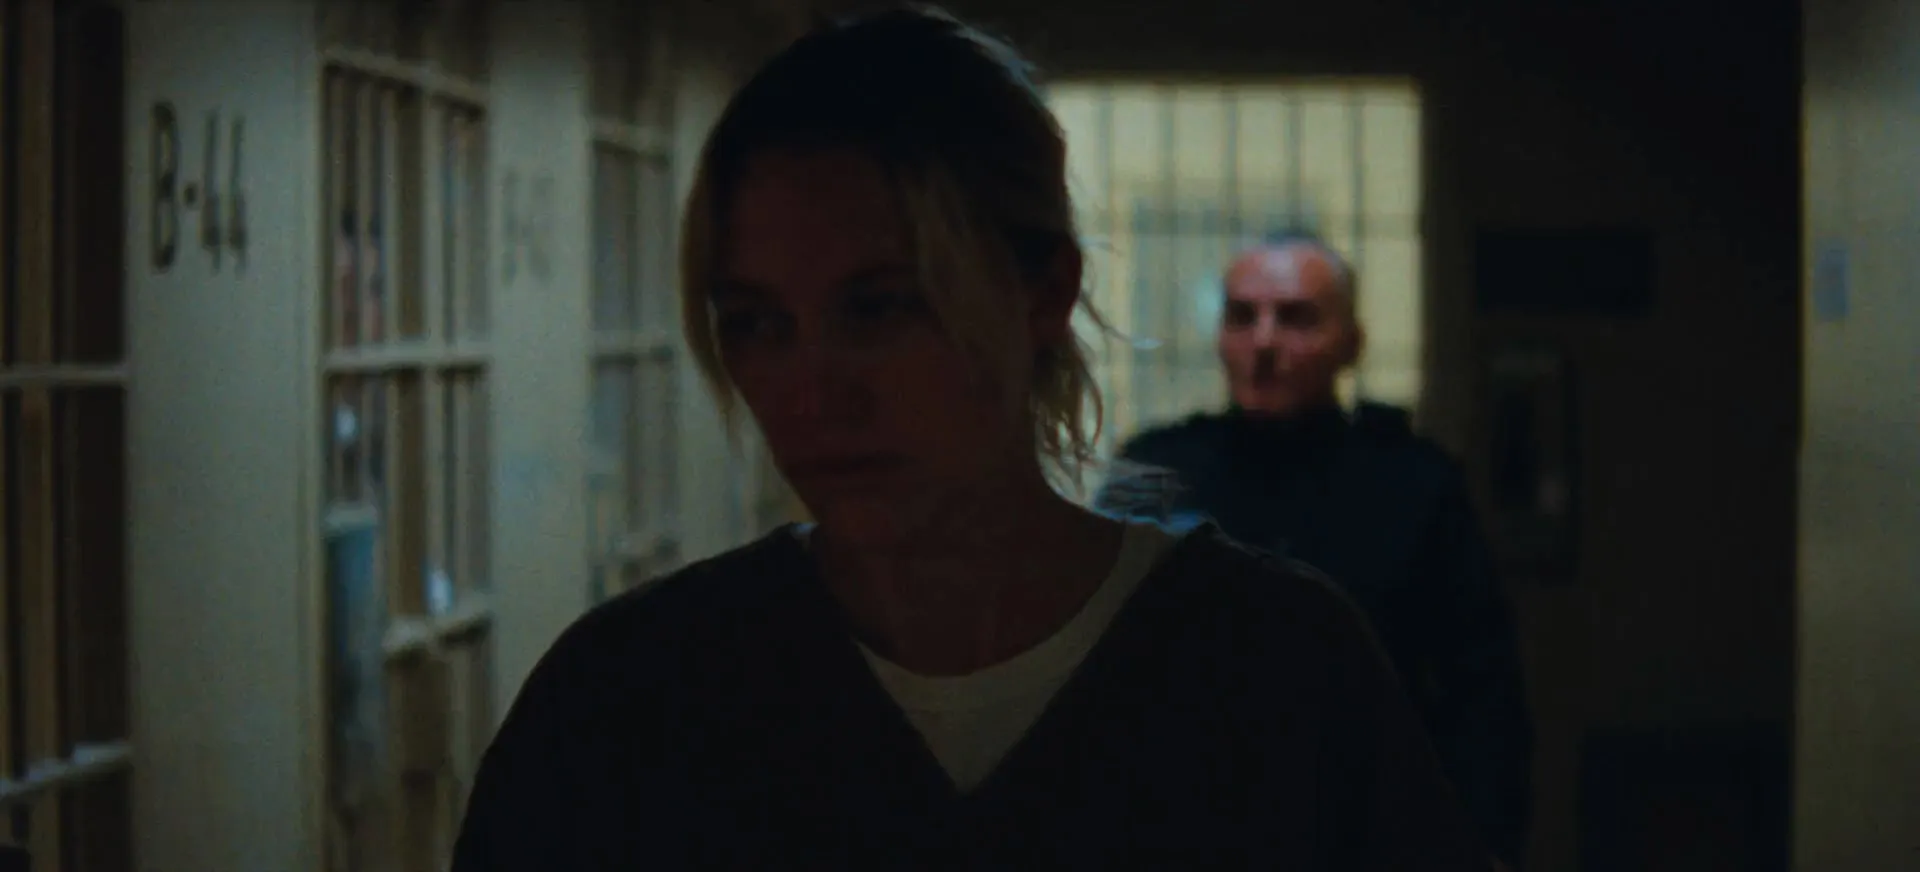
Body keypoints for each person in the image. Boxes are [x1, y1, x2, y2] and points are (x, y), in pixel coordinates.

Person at [453, 8, 1490, 869]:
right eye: (759, 323)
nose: (811, 392)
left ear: (1044, 292)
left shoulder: (1274, 669)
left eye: (880, 308)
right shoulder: (633, 699)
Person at [1102, 235, 1534, 869]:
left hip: (1366, 832)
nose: (1264, 341)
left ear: (1351, 343)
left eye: (1297, 318)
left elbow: (1483, 694)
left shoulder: (1414, 486)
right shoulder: (1158, 474)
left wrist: (1486, 847)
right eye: (1241, 316)